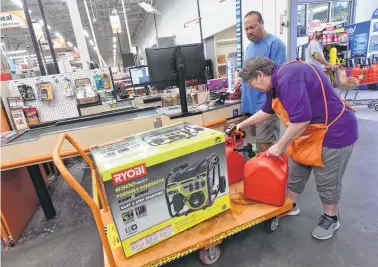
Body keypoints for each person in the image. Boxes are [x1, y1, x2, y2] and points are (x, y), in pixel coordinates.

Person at [237, 57, 358, 240]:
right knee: (296, 172)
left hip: (334, 131)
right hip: (308, 132)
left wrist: (279, 146)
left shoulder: (289, 78)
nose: (253, 88)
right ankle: (290, 206)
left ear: (260, 75)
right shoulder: (275, 85)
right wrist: (240, 126)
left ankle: (331, 217)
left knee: (327, 181)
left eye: (252, 84)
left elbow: (301, 120)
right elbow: (267, 111)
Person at [234, 11, 286, 152]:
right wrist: (241, 82)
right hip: (249, 105)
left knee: (266, 146)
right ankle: (256, 172)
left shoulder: (275, 44)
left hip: (265, 105)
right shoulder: (249, 48)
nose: (249, 31)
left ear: (262, 24)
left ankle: (268, 174)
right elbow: (248, 73)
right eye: (246, 29)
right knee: (252, 146)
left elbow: (278, 77)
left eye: (253, 27)